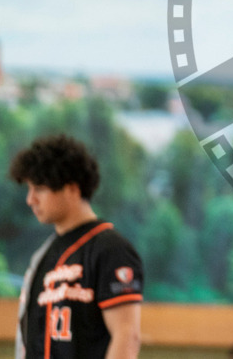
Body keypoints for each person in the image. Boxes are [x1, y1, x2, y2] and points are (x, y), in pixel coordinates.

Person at [10, 134, 143, 359]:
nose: (30, 199)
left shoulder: (111, 249)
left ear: (72, 188)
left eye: (39, 189)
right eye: (29, 189)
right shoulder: (43, 254)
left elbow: (127, 336)